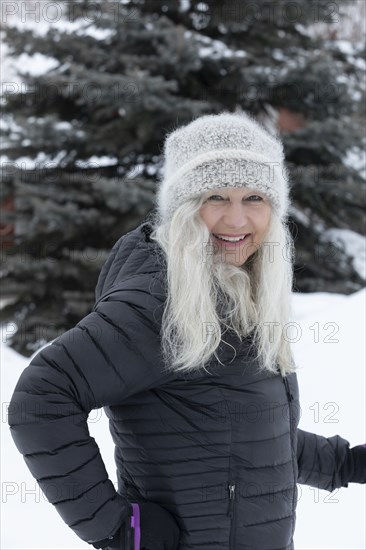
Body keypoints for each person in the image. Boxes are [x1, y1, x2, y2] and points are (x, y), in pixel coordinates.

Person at [7, 111, 366, 550]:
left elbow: (246, 435)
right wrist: (117, 527)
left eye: (254, 197)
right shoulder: (163, 299)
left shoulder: (238, 290)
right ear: (184, 206)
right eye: (216, 196)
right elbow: (42, 395)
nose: (236, 221)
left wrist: (345, 464)